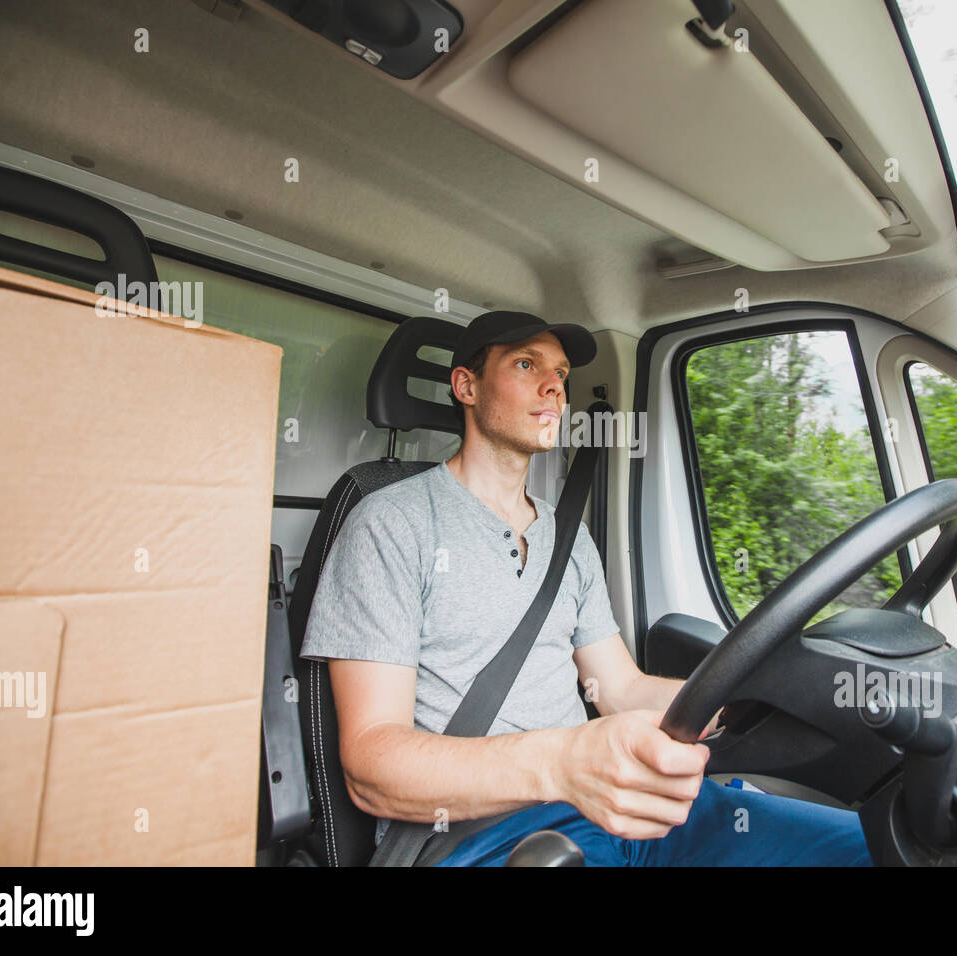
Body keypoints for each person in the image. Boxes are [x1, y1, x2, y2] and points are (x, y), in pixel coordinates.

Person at [299, 310, 873, 866]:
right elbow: (373, 766)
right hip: (483, 841)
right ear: (466, 385)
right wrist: (565, 762)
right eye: (527, 365)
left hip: (621, 807)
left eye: (562, 376)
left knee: (875, 847)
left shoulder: (568, 538)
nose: (554, 387)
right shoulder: (388, 522)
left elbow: (620, 690)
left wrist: (752, 703)